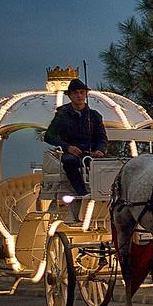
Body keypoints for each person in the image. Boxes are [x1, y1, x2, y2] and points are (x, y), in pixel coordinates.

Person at [44, 78, 108, 223]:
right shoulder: (62, 115)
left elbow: (102, 138)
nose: (79, 96)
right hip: (71, 153)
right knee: (69, 161)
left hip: (90, 154)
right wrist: (67, 147)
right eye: (76, 93)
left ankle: (106, 195)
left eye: (82, 92)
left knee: (106, 163)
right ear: (70, 95)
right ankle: (82, 193)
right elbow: (48, 136)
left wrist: (100, 150)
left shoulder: (94, 116)